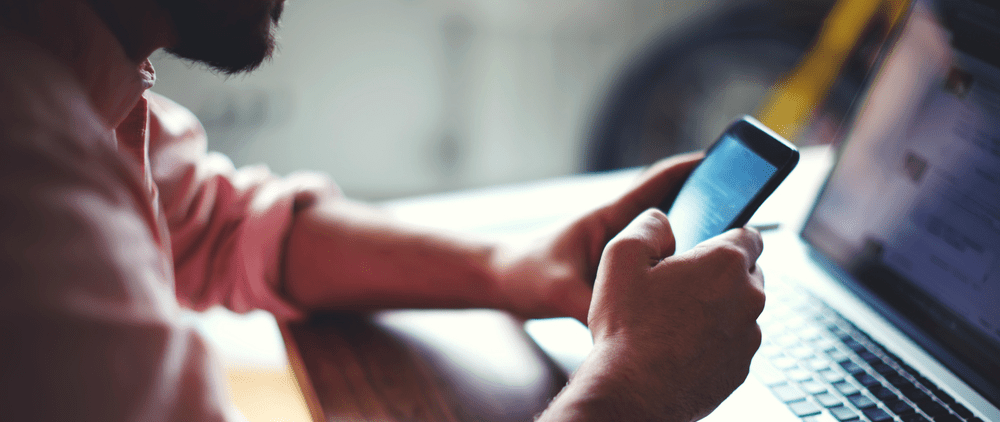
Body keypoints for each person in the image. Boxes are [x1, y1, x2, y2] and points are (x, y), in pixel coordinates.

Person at [0, 0, 766, 420]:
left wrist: (518, 268)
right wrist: (635, 393)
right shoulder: (27, 165)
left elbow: (215, 224)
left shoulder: (66, 62)